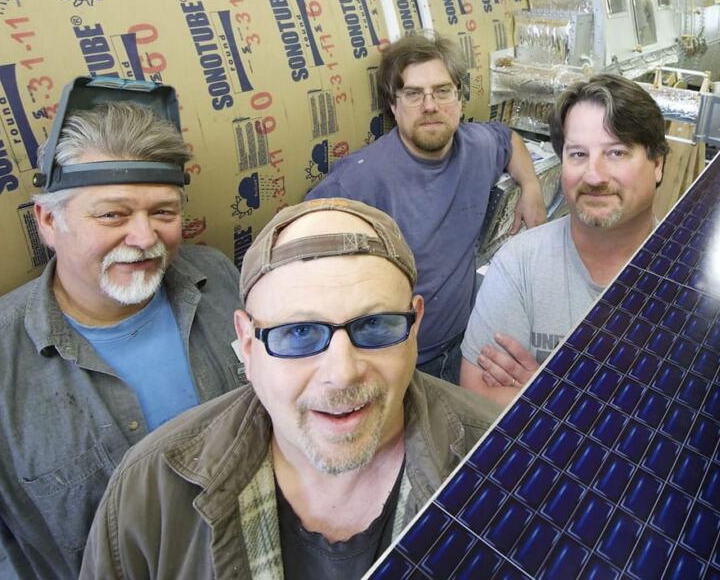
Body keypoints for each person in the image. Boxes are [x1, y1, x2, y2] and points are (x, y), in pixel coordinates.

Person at [0, 97, 248, 579]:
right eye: (113, 216)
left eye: (163, 211)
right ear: (47, 222)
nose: (145, 238)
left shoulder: (218, 276)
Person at [80, 198, 498, 579]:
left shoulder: (502, 462)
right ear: (247, 343)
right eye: (299, 333)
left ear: (414, 325)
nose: (342, 372)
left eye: (374, 326)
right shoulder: (150, 492)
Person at [306, 32, 546, 383]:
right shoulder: (359, 182)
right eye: (414, 94)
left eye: (442, 91)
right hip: (395, 367)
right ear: (393, 105)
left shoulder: (476, 146)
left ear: (460, 99)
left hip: (466, 343)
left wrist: (532, 185)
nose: (430, 105)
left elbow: (508, 139)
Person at [460, 74, 667, 405]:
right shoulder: (520, 263)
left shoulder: (689, 277)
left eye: (616, 153)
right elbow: (478, 395)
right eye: (578, 154)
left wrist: (551, 396)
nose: (594, 176)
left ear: (657, 164)